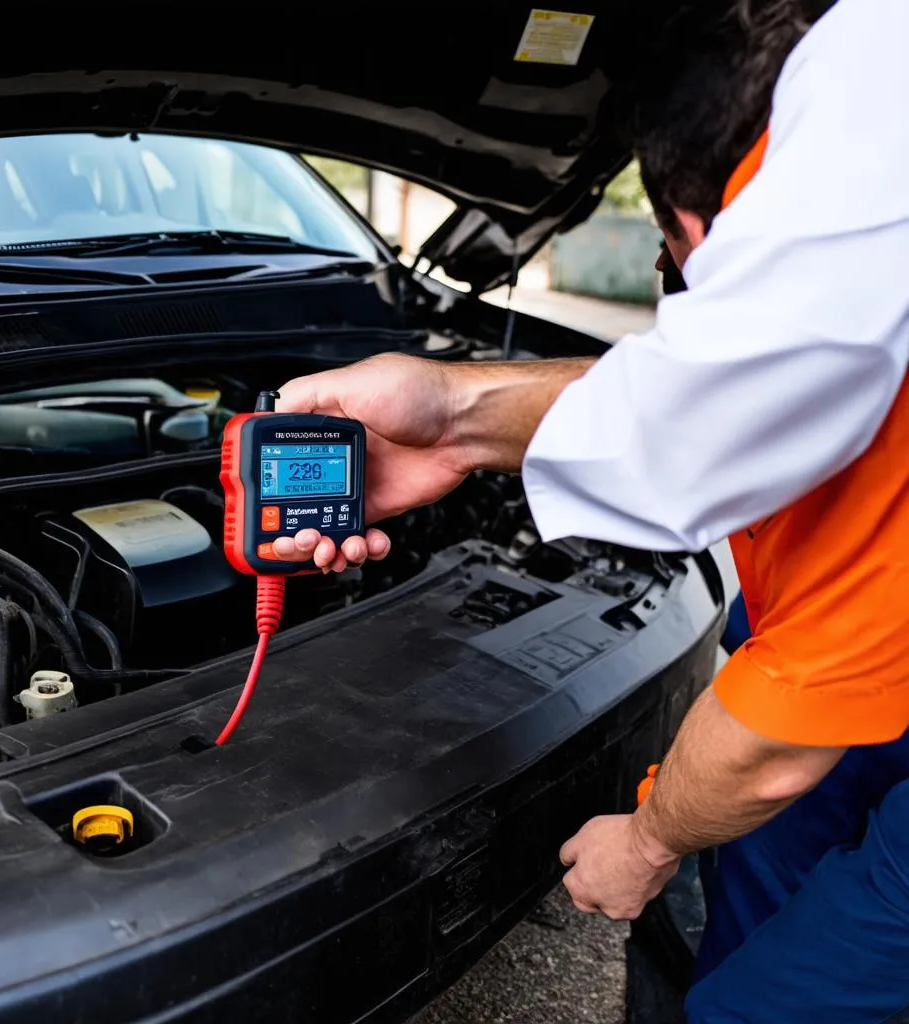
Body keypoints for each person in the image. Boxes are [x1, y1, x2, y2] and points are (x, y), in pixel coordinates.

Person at [271, 0, 909, 1018]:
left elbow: (777, 745)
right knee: (748, 870)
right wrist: (446, 416)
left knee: (769, 1002)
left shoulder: (861, 191)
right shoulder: (861, 137)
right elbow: (692, 387)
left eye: (680, 283)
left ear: (694, 233)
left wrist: (647, 837)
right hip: (842, 660)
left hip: (834, 676)